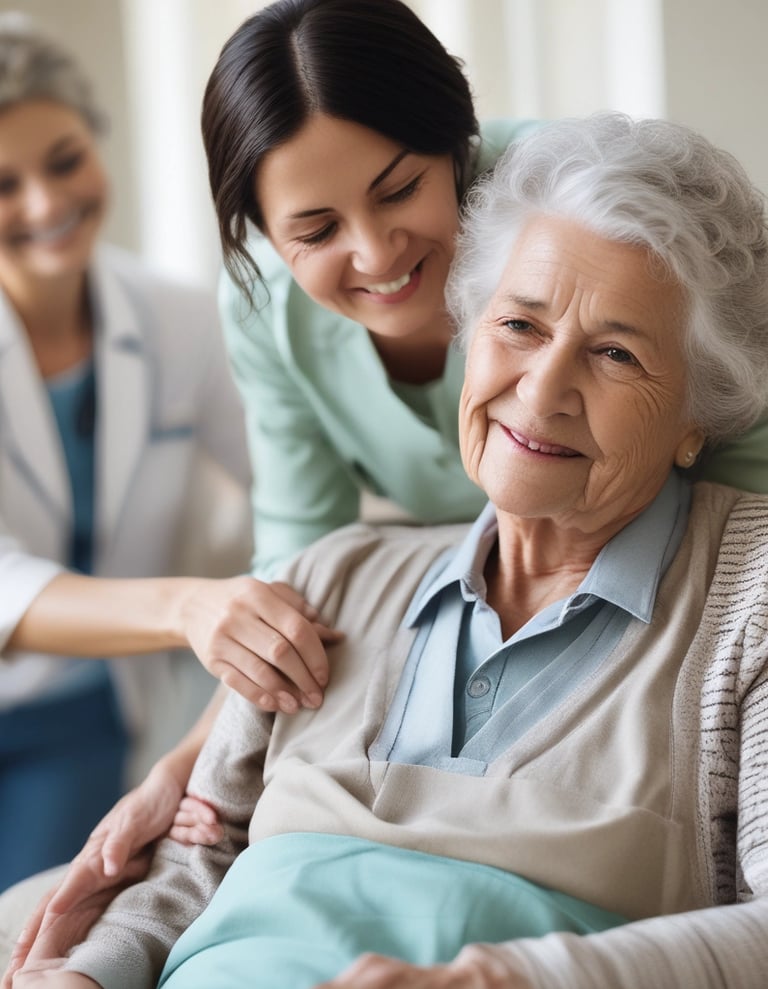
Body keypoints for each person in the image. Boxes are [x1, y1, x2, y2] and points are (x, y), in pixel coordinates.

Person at [6, 0, 768, 968]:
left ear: (458, 155)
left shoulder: (581, 211)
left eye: (613, 352)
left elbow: (727, 479)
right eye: (518, 326)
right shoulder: (334, 561)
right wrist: (189, 766)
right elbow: (284, 590)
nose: (373, 253)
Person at [0, 13, 339, 895]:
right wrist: (192, 606)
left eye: (65, 159)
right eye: (4, 184)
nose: (45, 203)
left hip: (81, 718)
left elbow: (298, 483)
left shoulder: (181, 318)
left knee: (40, 922)